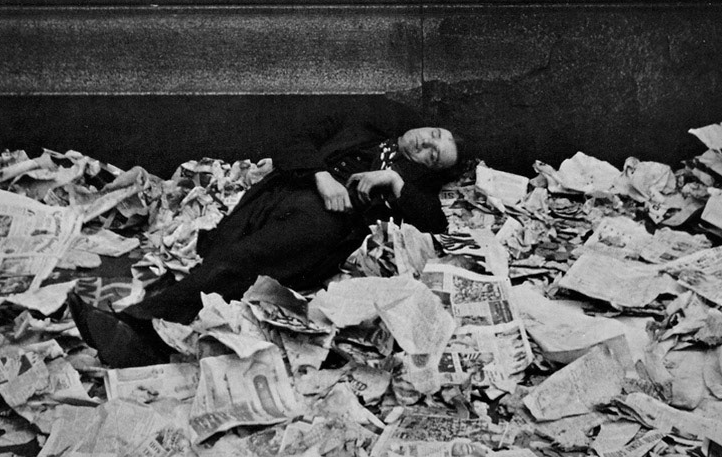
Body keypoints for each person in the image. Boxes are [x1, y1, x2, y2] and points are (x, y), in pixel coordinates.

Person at [68, 114, 463, 366]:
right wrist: (320, 176)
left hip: (324, 224)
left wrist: (394, 181)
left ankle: (133, 330)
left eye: (432, 156)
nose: (424, 146)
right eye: (432, 136)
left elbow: (435, 222)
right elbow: (293, 141)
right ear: (425, 124)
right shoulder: (362, 125)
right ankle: (149, 341)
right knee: (221, 269)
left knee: (239, 264)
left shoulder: (410, 186)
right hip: (276, 198)